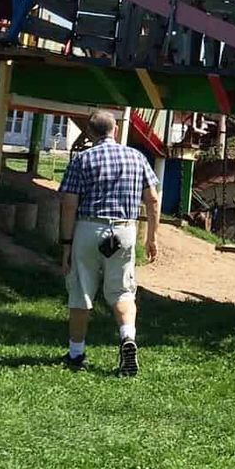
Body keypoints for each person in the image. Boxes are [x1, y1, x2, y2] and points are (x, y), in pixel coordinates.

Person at [58, 109, 160, 376]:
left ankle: (76, 353)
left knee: (81, 290)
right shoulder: (137, 157)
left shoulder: (82, 159)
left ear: (89, 132)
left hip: (89, 227)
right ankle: (127, 338)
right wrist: (151, 237)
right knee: (122, 291)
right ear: (116, 129)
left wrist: (66, 244)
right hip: (123, 230)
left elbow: (69, 204)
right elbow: (153, 199)